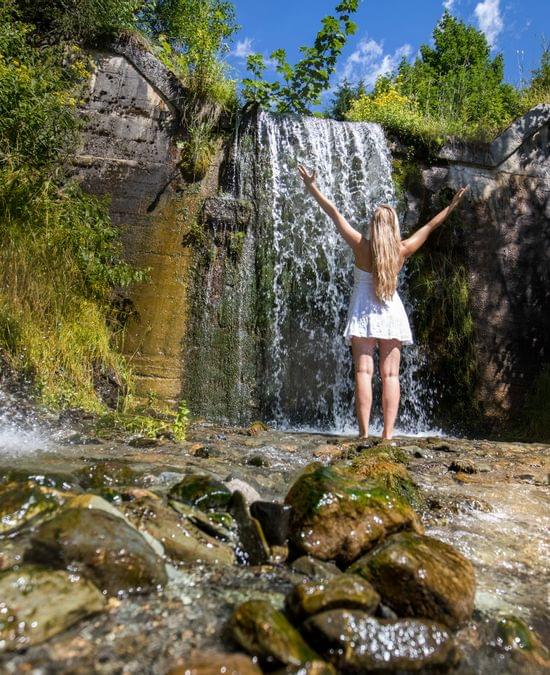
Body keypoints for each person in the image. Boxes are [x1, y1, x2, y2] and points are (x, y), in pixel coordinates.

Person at [298, 164, 468, 440]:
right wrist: (451, 207)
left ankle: (364, 434)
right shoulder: (402, 249)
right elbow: (430, 226)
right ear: (393, 227)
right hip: (391, 312)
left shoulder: (360, 245)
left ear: (372, 225)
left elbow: (333, 213)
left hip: (363, 310)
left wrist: (311, 187)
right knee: (391, 376)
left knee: (363, 371)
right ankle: (388, 436)